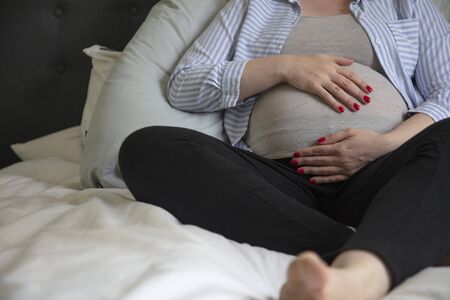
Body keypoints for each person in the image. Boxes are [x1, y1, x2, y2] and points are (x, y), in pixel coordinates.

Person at [118, 0, 450, 299]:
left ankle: (361, 276)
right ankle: (359, 250)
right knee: (146, 147)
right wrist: (285, 67)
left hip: (385, 170)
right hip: (277, 181)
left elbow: (447, 90)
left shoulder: (406, 4)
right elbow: (185, 85)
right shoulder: (253, 6)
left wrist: (385, 144)